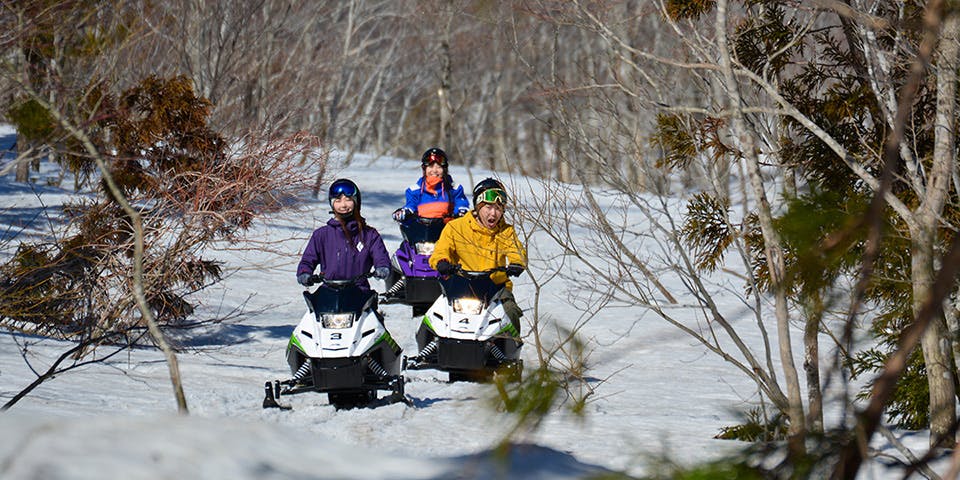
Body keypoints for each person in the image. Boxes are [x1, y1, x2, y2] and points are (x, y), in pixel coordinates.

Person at [428, 178, 526, 332]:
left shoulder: (506, 232)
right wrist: (442, 262)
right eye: (488, 207)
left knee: (510, 311)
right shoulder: (456, 227)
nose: (493, 213)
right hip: (460, 286)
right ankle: (431, 344)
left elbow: (516, 250)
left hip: (496, 289)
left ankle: (510, 347)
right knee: (436, 315)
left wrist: (517, 263)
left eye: (498, 208)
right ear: (478, 207)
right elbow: (441, 250)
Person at [297, 178, 390, 290]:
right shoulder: (321, 235)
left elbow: (381, 257)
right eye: (338, 201)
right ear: (332, 204)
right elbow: (308, 260)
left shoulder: (369, 235)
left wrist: (382, 267)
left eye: (348, 200)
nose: (343, 205)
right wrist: (304, 273)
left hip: (359, 291)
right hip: (329, 291)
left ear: (356, 202)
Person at [392, 147, 470, 222]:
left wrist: (461, 211)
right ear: (424, 168)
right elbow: (411, 205)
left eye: (439, 167)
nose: (434, 170)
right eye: (431, 166)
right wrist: (405, 212)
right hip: (421, 228)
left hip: (446, 227)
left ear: (444, 169)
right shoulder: (414, 191)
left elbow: (461, 203)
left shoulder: (454, 189)